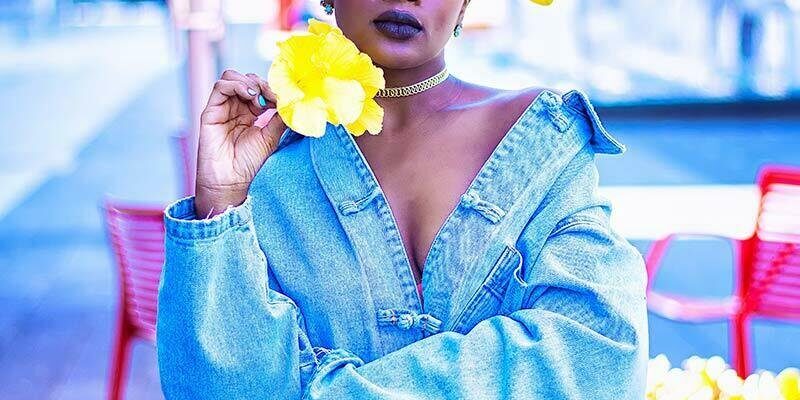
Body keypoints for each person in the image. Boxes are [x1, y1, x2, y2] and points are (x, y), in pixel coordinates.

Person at [156, 0, 649, 398]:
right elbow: (214, 387)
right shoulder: (268, 169)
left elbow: (601, 358)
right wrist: (221, 200)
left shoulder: (540, 140)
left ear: (464, 6)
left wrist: (311, 388)